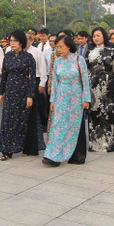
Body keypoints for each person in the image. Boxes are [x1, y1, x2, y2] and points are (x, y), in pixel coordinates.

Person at [43, 35, 90, 166]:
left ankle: (76, 155)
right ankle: (53, 156)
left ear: (69, 46)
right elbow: (55, 82)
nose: (58, 49)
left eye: (61, 47)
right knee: (58, 127)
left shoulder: (79, 60)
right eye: (57, 47)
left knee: (74, 127)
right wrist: (52, 100)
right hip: (61, 97)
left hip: (76, 98)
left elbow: (85, 80)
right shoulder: (58, 62)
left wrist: (86, 99)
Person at [0, 31, 36, 160]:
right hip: (10, 91)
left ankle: (20, 146)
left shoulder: (28, 57)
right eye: (11, 41)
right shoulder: (8, 56)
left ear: (21, 42)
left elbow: (32, 78)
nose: (12, 43)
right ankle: (6, 149)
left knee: (20, 120)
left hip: (23, 92)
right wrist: (0, 92)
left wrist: (30, 95)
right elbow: (4, 75)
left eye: (15, 41)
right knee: (7, 120)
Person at [85, 27, 114, 152]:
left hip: (108, 85)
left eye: (98, 35)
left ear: (104, 36)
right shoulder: (90, 52)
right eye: (94, 36)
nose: (96, 38)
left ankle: (109, 141)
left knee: (108, 113)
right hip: (93, 86)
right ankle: (95, 142)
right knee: (94, 112)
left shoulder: (111, 51)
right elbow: (87, 70)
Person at [24, 29, 48, 155]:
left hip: (35, 80)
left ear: (31, 40)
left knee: (37, 107)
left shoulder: (37, 52)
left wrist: (42, 83)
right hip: (22, 82)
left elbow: (42, 69)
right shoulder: (18, 52)